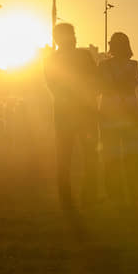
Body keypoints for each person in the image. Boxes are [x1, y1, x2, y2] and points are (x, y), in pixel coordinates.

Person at [44, 23, 100, 211]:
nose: (74, 37)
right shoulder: (82, 56)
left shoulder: (52, 59)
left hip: (66, 113)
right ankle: (87, 196)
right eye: (72, 34)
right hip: (83, 112)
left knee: (66, 158)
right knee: (88, 156)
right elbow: (95, 79)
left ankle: (68, 198)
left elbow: (53, 86)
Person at [98, 32, 138, 210]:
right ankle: (130, 194)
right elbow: (131, 85)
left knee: (115, 158)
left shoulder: (104, 66)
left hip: (113, 114)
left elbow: (105, 86)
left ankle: (117, 196)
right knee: (129, 157)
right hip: (127, 114)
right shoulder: (133, 65)